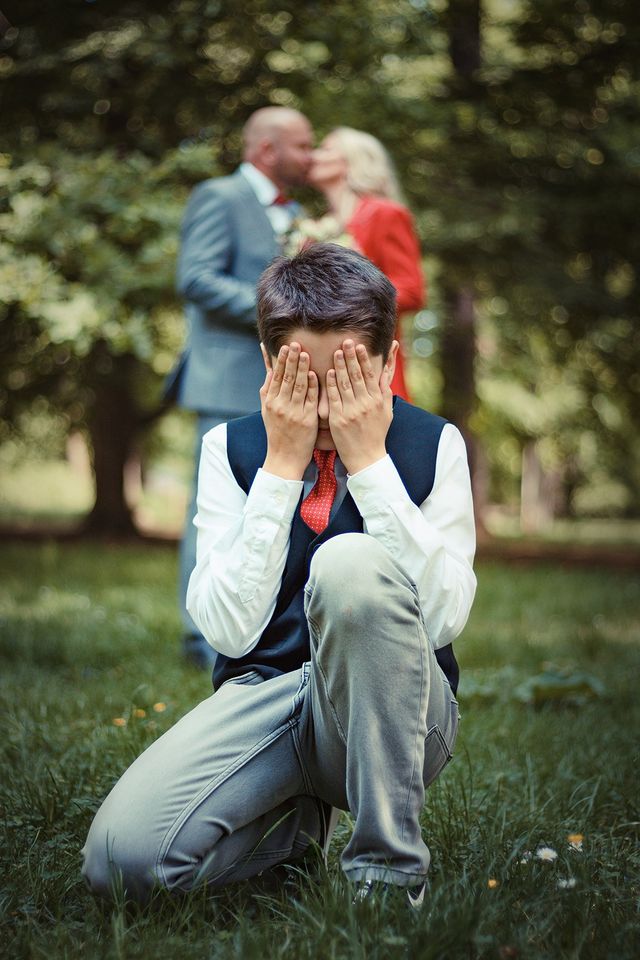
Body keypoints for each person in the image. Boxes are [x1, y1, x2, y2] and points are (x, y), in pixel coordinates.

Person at [82, 243, 476, 910]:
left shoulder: (434, 445)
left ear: (388, 362)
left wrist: (371, 467)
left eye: (347, 378)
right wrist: (282, 468)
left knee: (347, 562)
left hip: (400, 715)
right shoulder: (228, 449)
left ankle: (387, 876)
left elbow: (441, 619)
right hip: (266, 695)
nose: (324, 408)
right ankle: (290, 835)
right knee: (123, 867)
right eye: (302, 381)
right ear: (268, 364)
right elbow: (229, 630)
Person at [170, 106, 314, 668]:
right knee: (212, 510)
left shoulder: (297, 212)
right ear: (266, 150)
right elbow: (195, 277)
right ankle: (200, 638)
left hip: (282, 383)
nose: (310, 155)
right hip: (228, 379)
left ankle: (266, 633)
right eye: (301, 146)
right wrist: (283, 309)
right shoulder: (220, 196)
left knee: (278, 503)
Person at [308, 127, 425, 402]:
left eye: (325, 149)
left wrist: (348, 298)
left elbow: (412, 291)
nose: (313, 156)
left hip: (369, 363)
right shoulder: (316, 227)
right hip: (322, 369)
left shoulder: (384, 213)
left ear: (354, 160)